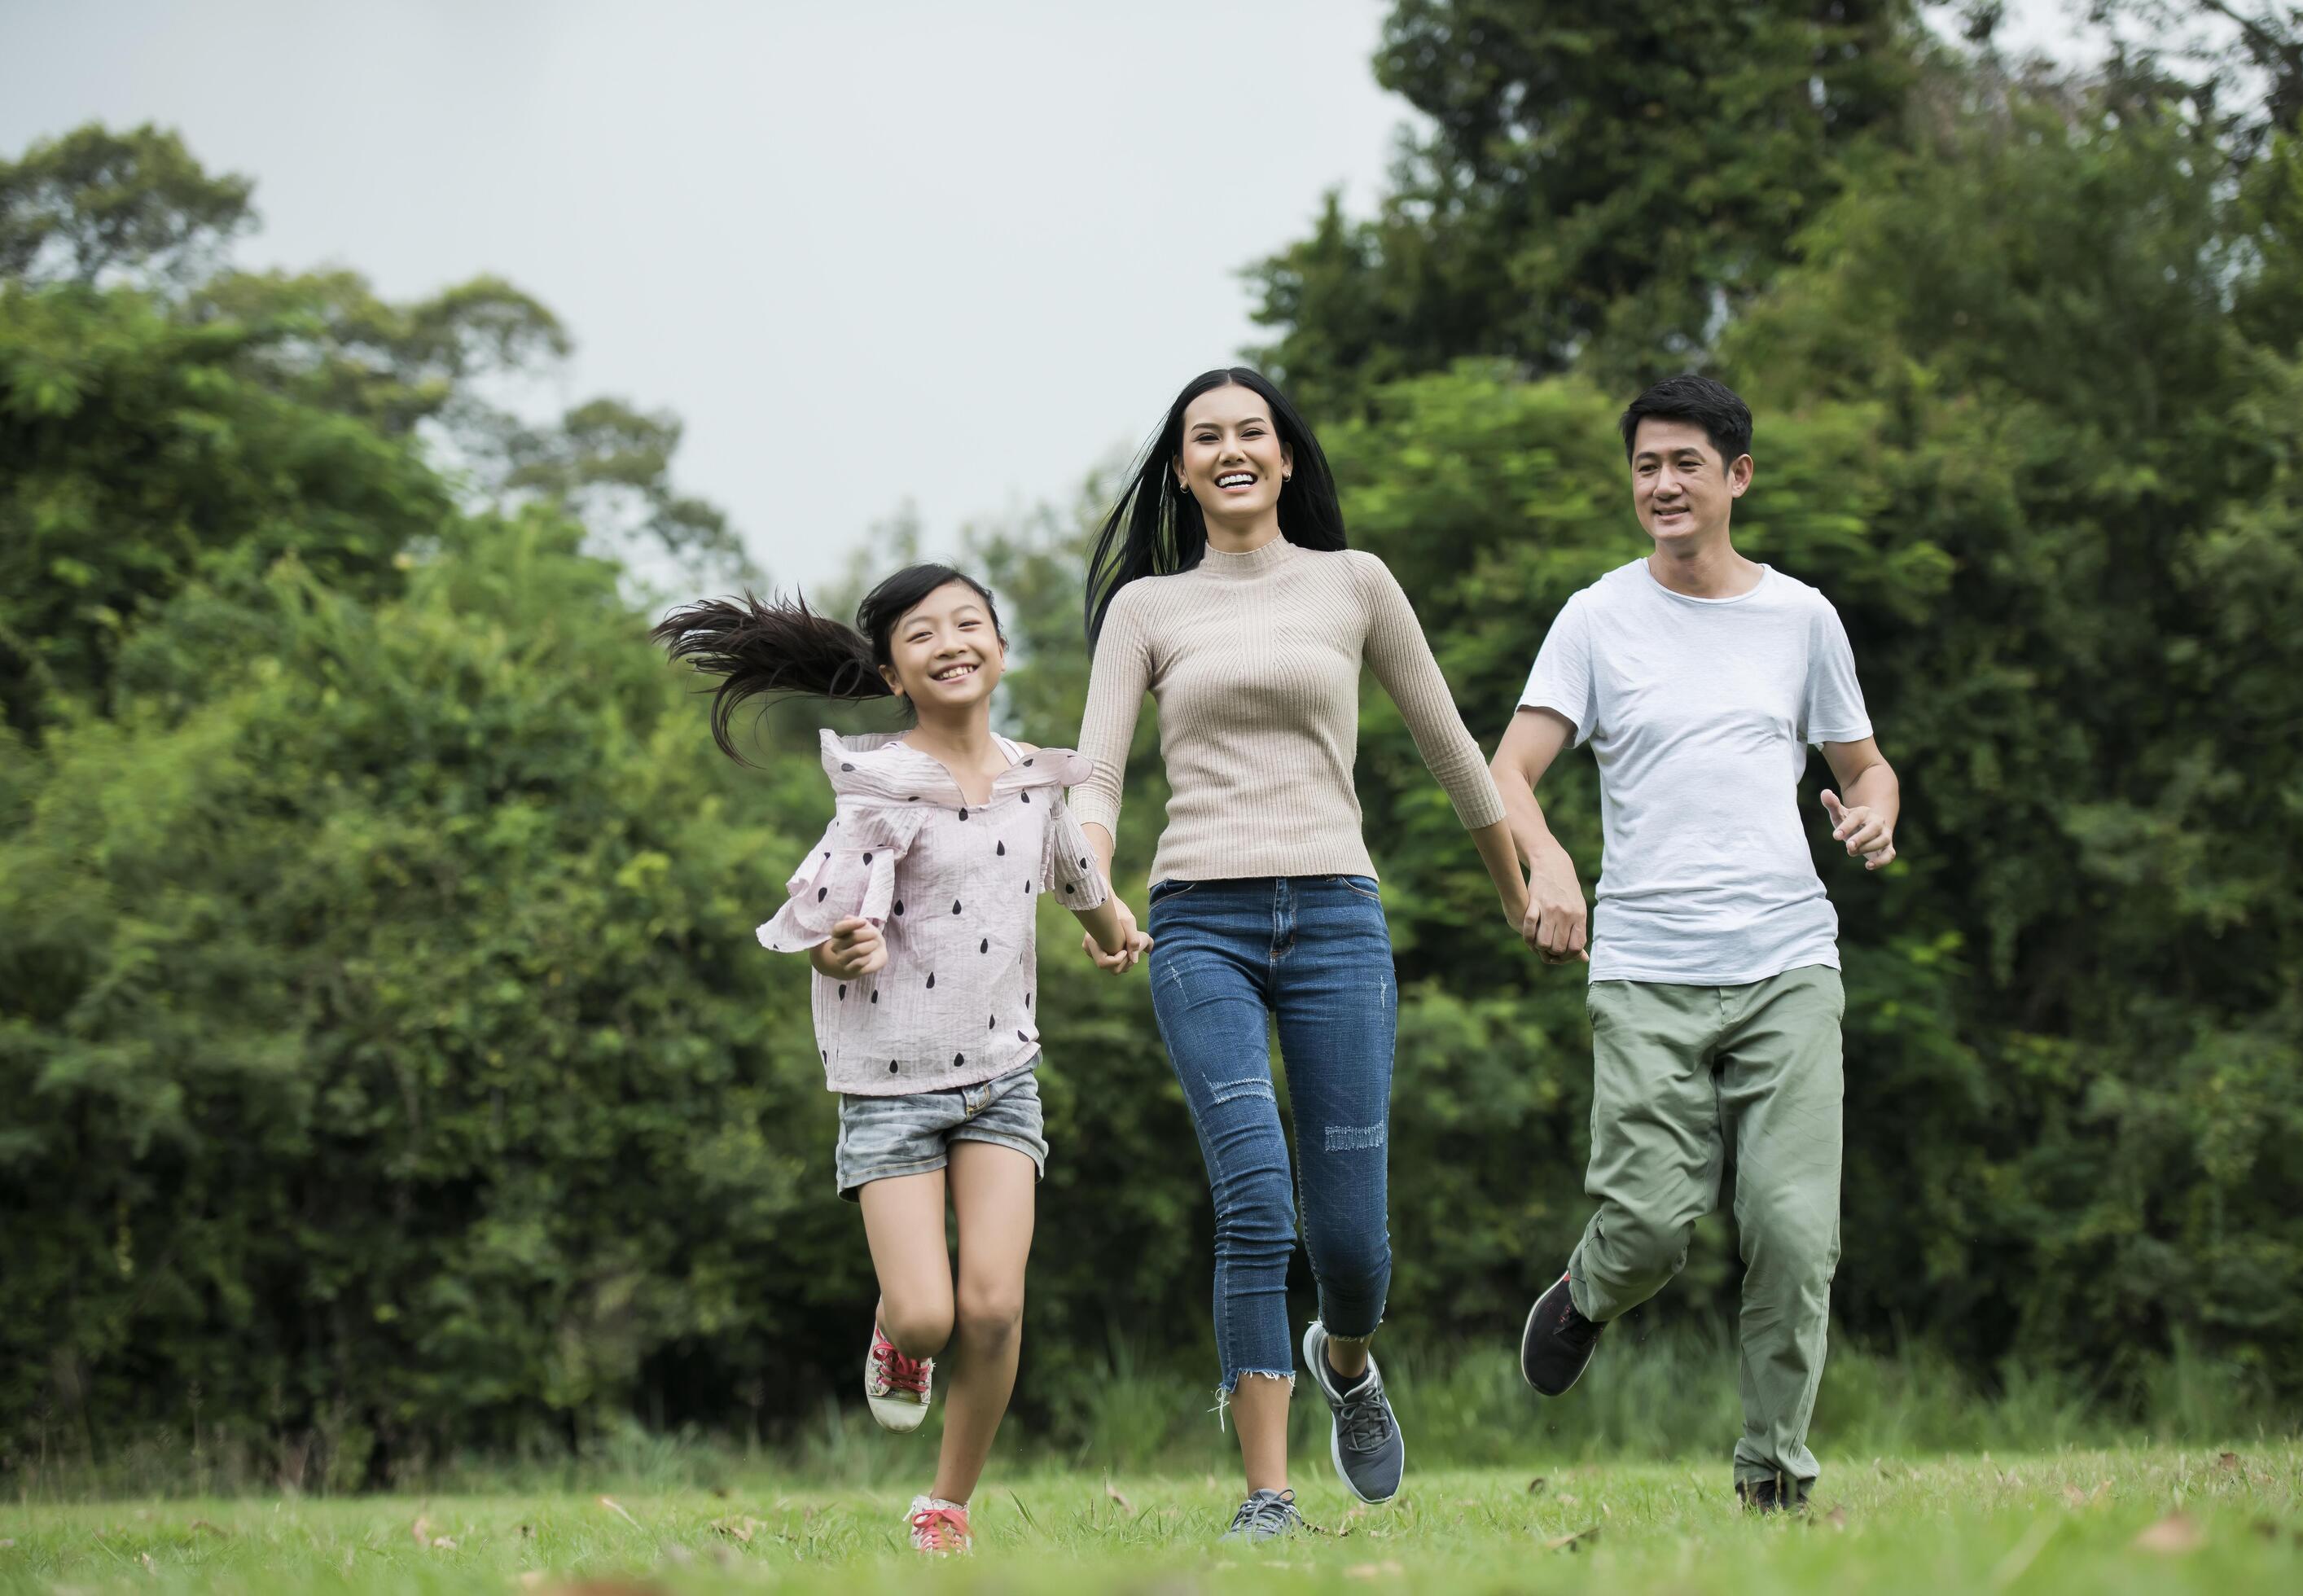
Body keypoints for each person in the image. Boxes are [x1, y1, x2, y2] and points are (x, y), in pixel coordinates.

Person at [1071, 367, 1531, 1541]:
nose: (1229, 450)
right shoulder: (1147, 610)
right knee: (1255, 1205)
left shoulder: (1354, 584)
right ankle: (1266, 1496)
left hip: (1335, 916)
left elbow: (1450, 748)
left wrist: (1515, 891)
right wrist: (1091, 887)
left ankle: (1349, 1358)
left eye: (1251, 433)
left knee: (1351, 1248)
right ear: (1181, 469)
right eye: (1203, 437)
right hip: (1197, 925)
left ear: (1284, 458)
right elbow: (1096, 778)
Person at [652, 565, 1135, 1554]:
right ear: (893, 671)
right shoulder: (877, 785)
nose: (952, 642)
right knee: (928, 1318)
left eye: (970, 624)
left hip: (1003, 1075)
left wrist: (1117, 928)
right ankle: (896, 1337)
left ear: (1001, 649)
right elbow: (822, 914)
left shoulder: (1037, 775)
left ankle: (946, 1505)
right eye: (923, 634)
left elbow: (1077, 869)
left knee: (995, 1306)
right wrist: (838, 946)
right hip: (891, 1086)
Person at [1490, 374, 1901, 1514]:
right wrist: (1552, 861)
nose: (1662, 484)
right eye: (1644, 466)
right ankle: (1586, 1291)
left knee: (1790, 1231)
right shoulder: (1597, 617)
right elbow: (1508, 771)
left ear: (1737, 476)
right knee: (1655, 1225)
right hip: (1646, 970)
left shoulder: (1800, 618)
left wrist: (1874, 810)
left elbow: (1863, 763)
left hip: (1785, 961)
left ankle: (1773, 1474)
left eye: (1684, 463)